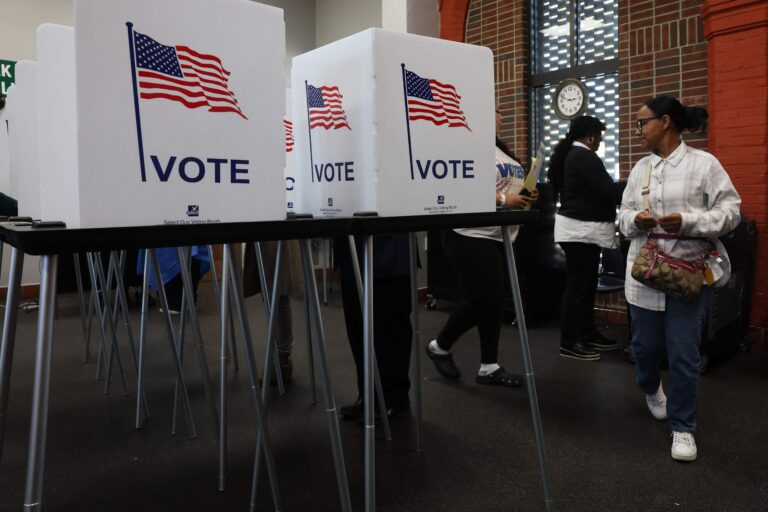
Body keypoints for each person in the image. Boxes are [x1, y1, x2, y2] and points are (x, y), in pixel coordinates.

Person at [619, 95, 740, 462]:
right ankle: (652, 389)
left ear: (665, 121)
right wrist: (634, 220)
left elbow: (731, 211)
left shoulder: (705, 164)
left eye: (643, 122)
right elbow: (622, 215)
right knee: (644, 351)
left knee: (684, 356)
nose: (638, 129)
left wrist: (689, 222)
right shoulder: (641, 169)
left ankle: (683, 427)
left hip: (687, 278)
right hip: (645, 276)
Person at [425, 104, 538, 387]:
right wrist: (502, 201)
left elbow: (508, 187)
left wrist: (526, 194)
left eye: (501, 113)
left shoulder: (501, 151)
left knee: (491, 299)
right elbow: (457, 188)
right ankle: (442, 346)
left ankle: (486, 364)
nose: (500, 116)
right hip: (468, 233)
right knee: (485, 298)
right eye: (494, 111)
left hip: (499, 233)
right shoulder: (465, 147)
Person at [547, 115, 620, 361]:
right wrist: (633, 187)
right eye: (599, 136)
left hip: (580, 230)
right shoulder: (583, 156)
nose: (600, 141)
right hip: (580, 231)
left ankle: (587, 334)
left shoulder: (575, 155)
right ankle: (569, 341)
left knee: (586, 286)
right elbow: (607, 190)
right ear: (590, 136)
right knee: (578, 287)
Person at [336, 234, 413, 421]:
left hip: (389, 244)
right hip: (351, 241)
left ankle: (394, 398)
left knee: (390, 323)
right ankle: (369, 395)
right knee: (357, 325)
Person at [243, 240, 301, 383]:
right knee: (274, 292)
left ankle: (282, 360)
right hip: (269, 232)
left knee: (277, 293)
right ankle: (281, 359)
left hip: (275, 231)